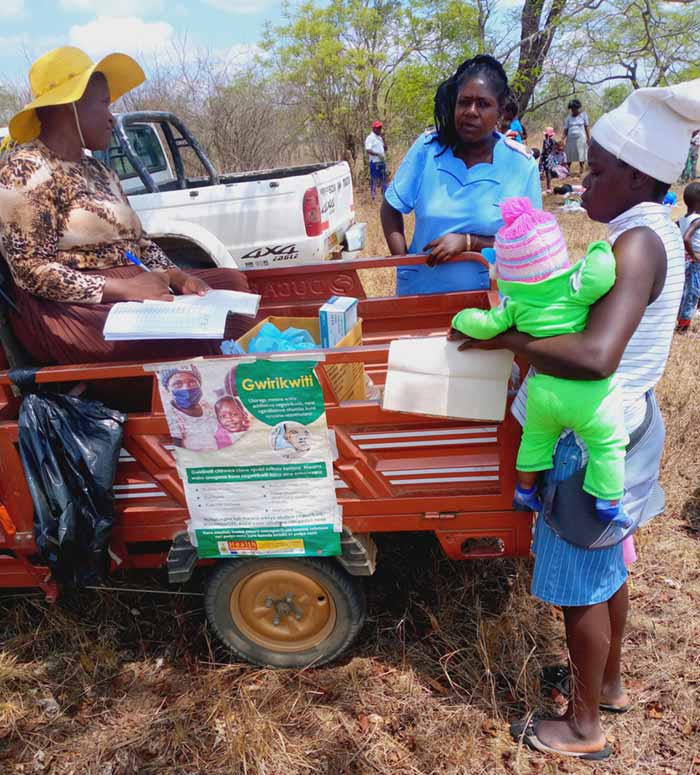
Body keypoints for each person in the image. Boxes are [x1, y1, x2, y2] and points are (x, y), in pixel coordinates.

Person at [451, 80, 698, 759]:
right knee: (609, 570)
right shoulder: (647, 234)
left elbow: (593, 356)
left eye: (598, 171)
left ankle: (585, 726)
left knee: (580, 588)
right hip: (626, 423)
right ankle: (609, 681)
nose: (583, 181)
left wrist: (505, 339)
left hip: (587, 439)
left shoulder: (638, 246)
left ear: (638, 177)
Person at [0, 46, 252, 366]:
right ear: (69, 107)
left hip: (130, 292)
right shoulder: (25, 170)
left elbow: (140, 242)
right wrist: (124, 289)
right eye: (104, 103)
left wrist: (174, 275)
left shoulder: (99, 171)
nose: (111, 117)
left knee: (232, 286)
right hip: (72, 310)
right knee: (194, 333)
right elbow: (31, 272)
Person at [452, 198, 628, 523]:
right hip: (587, 394)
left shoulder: (515, 303)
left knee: (534, 441)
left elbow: (485, 325)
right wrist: (600, 249)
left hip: (543, 390)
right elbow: (602, 275)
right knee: (608, 441)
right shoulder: (574, 285)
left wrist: (460, 318)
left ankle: (524, 491)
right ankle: (607, 501)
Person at [381, 55, 541, 296]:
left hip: (490, 303)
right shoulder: (428, 149)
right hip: (419, 295)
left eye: (483, 104)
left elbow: (530, 244)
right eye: (464, 102)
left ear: (500, 110)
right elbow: (390, 208)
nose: (471, 112)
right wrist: (404, 264)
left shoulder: (520, 164)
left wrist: (470, 242)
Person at [161, 366, 219, 451]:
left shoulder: (207, 406)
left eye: (192, 383)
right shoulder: (171, 415)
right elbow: (179, 452)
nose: (186, 388)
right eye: (177, 384)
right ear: (167, 389)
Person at [676, 182, 700, 332]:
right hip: (695, 262)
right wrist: (695, 256)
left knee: (686, 291)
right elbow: (686, 238)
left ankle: (684, 319)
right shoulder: (698, 220)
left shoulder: (683, 219)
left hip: (684, 260)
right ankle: (683, 326)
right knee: (693, 292)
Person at [563, 98, 590, 174]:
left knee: (581, 153)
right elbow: (565, 129)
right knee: (569, 153)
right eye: (571, 109)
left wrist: (588, 138)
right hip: (570, 138)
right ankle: (567, 170)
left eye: (574, 108)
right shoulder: (568, 118)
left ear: (578, 108)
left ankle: (581, 168)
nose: (573, 110)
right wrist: (562, 139)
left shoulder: (583, 115)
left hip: (581, 138)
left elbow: (586, 127)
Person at [364, 120, 387, 201]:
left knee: (384, 178)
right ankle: (373, 197)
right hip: (374, 162)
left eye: (380, 128)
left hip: (382, 161)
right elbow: (368, 150)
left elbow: (385, 149)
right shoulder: (370, 138)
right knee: (374, 179)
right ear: (373, 128)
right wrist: (378, 154)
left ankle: (384, 195)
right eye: (377, 128)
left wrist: (384, 140)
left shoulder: (380, 138)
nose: (379, 129)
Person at [541, 127, 556, 193]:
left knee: (548, 172)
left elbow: (553, 150)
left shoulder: (553, 141)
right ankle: (548, 186)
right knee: (546, 172)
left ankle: (549, 186)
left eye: (547, 135)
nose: (546, 136)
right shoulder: (544, 141)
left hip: (550, 158)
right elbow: (543, 150)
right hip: (545, 157)